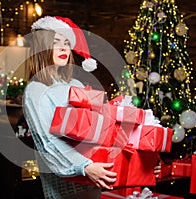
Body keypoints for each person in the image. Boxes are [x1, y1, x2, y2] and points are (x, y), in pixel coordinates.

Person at [23, 16, 160, 199]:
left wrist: (143, 161)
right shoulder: (36, 90)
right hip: (63, 188)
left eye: (66, 42)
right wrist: (84, 166)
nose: (64, 48)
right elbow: (47, 143)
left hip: (93, 182)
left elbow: (107, 131)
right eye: (56, 43)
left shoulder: (76, 83)